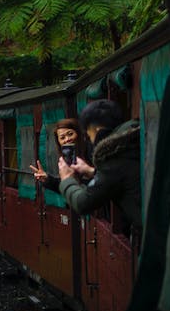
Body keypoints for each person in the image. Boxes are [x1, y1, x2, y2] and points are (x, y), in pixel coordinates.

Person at [58, 99, 142, 234]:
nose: (89, 139)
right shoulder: (130, 144)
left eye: (88, 133)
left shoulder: (113, 157)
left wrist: (67, 179)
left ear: (96, 129)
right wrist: (91, 171)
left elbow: (83, 203)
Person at [29, 118, 88, 193]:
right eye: (62, 138)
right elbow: (66, 186)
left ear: (78, 133)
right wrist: (47, 179)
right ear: (59, 142)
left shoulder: (91, 152)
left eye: (70, 134)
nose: (67, 139)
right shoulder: (64, 159)